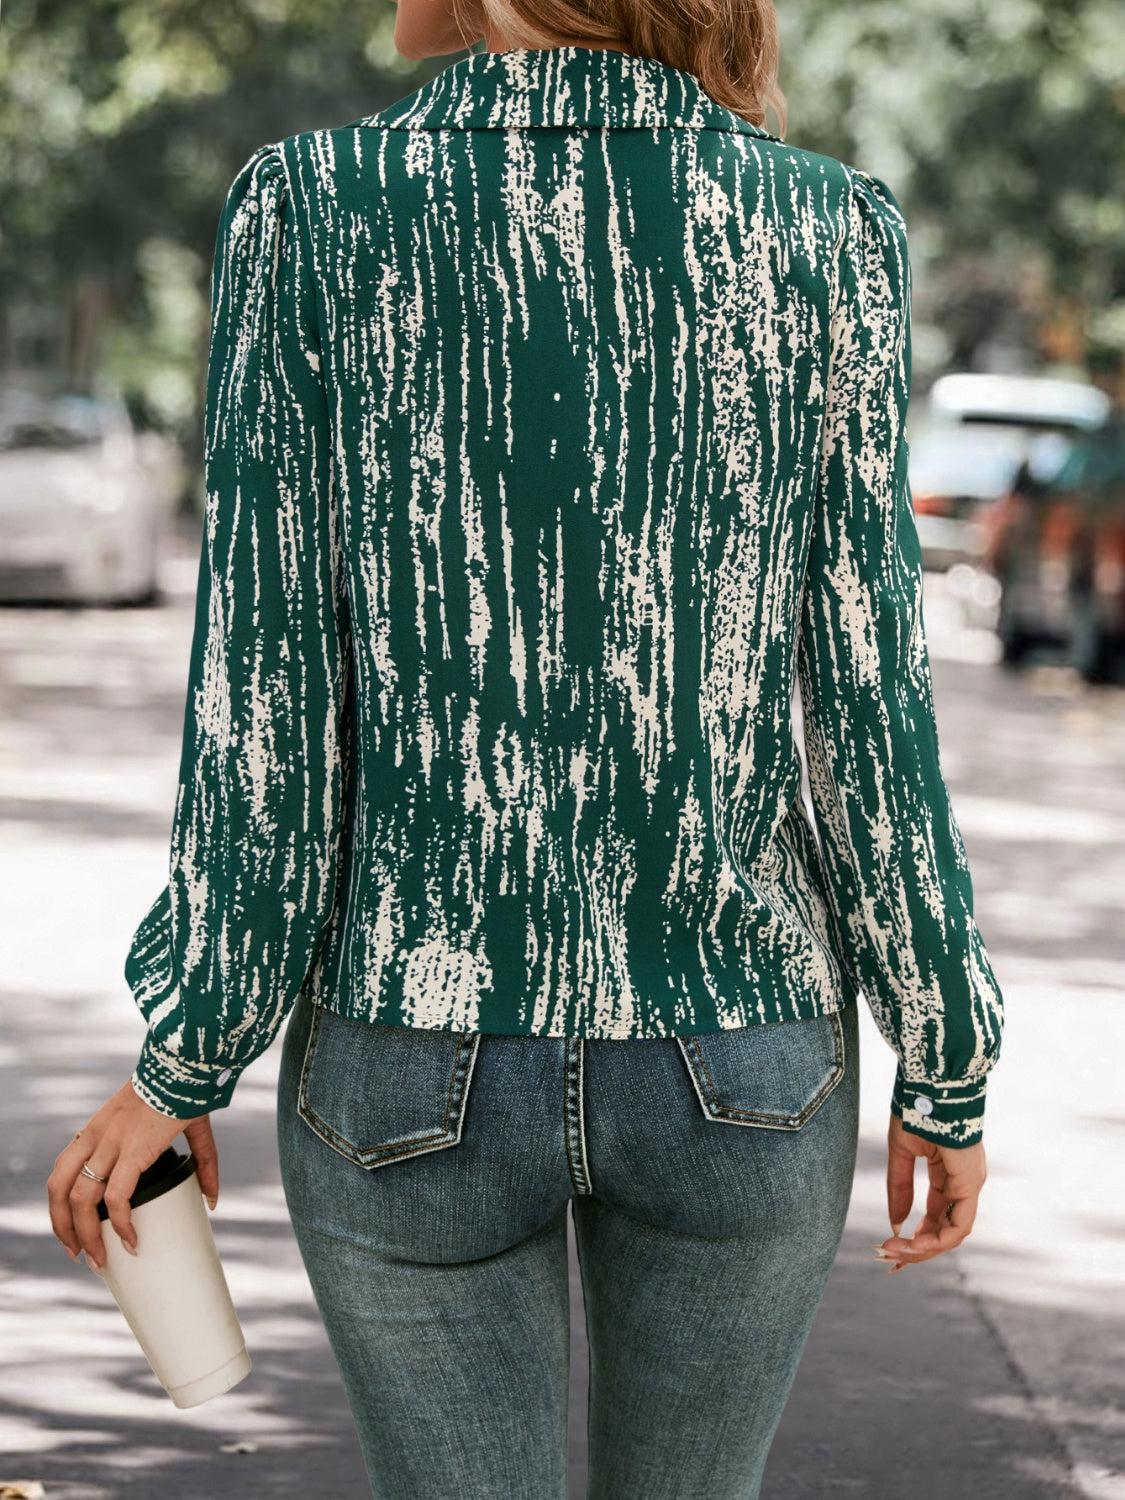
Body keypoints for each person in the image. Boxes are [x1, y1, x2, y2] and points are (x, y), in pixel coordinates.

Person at [47, 0, 1005, 1492]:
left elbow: (266, 692)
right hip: (740, 1052)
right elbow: (870, 694)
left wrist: (188, 1052)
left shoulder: (311, 209)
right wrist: (941, 1051)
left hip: (404, 1051)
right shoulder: (826, 230)